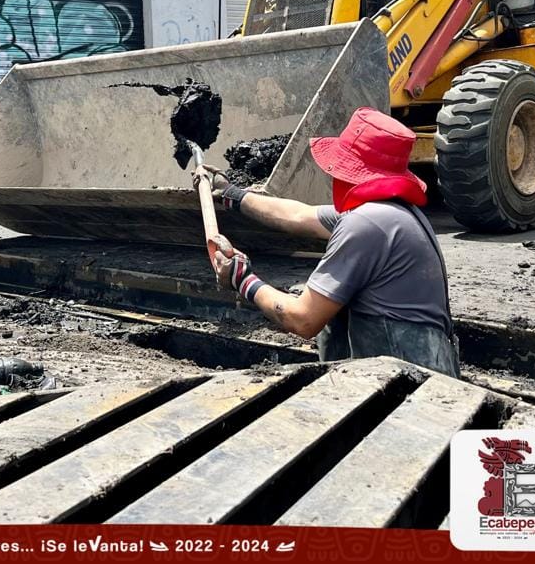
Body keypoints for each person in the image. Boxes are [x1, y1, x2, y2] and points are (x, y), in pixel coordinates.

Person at [196, 107, 459, 377]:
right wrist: (232, 195)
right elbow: (298, 215)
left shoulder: (366, 224)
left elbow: (302, 319)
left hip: (409, 383)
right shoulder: (390, 212)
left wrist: (242, 280)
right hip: (422, 365)